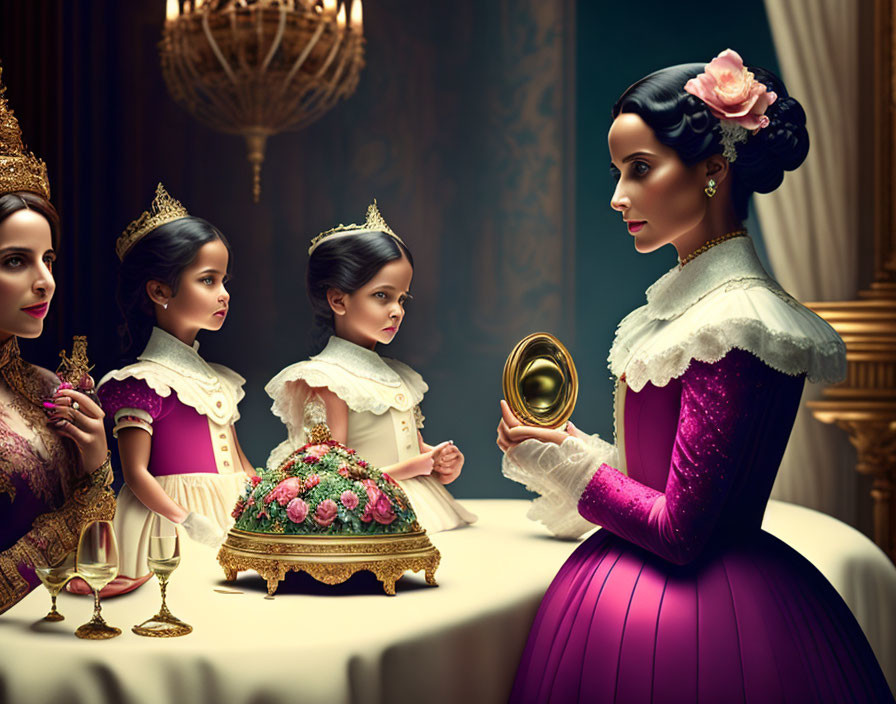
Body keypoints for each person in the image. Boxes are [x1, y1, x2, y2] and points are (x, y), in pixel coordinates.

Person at [497, 50, 894, 702]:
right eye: (618, 171)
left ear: (713, 170)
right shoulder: (681, 313)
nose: (618, 196)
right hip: (637, 592)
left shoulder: (737, 324)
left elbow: (682, 533)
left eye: (641, 169)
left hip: (698, 616)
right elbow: (646, 477)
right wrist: (565, 450)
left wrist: (566, 467)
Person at [264, 202, 476, 533]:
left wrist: (439, 459)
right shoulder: (327, 378)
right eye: (382, 296)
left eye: (402, 299)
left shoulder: (396, 375)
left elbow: (409, 444)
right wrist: (415, 467)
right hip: (366, 513)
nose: (397, 311)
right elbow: (331, 478)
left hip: (422, 502)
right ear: (338, 300)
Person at [90, 183, 255, 596]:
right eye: (208, 280)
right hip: (170, 520)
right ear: (160, 290)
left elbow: (237, 458)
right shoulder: (142, 384)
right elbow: (135, 473)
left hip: (232, 506)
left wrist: (264, 494)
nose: (224, 294)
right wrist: (187, 520)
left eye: (224, 280)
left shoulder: (219, 379)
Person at [0, 65, 114, 614]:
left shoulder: (50, 388)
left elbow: (98, 553)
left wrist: (95, 461)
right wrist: (77, 512)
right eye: (16, 261)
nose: (44, 280)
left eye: (48, 259)